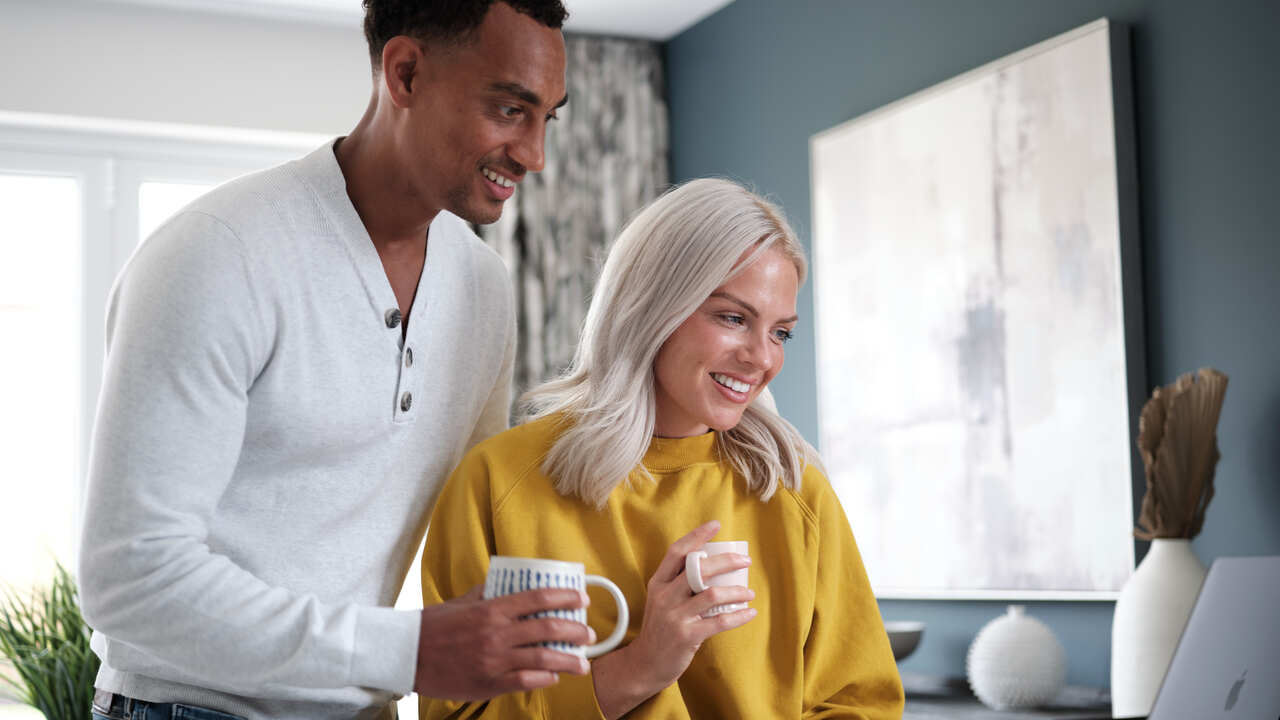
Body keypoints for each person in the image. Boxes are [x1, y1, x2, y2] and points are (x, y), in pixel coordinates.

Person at [77, 2, 597, 719]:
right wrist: (406, 654)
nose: (535, 154)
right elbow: (129, 579)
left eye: (548, 119)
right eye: (510, 109)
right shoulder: (217, 254)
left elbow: (475, 517)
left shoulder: (484, 290)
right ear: (405, 72)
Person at [418, 178, 906, 719]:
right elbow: (456, 714)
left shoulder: (794, 489)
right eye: (732, 318)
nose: (761, 358)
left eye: (780, 333)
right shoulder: (498, 481)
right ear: (654, 306)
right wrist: (644, 665)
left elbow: (860, 705)